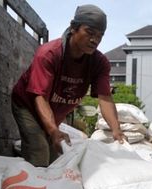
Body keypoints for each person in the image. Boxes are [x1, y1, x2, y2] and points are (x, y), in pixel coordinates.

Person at [11, 4, 124, 167]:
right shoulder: (49, 54)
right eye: (90, 33)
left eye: (100, 36)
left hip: (52, 112)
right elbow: (40, 96)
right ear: (73, 28)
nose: (95, 40)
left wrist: (116, 130)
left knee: (54, 163)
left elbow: (105, 97)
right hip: (28, 105)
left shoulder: (99, 63)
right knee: (39, 153)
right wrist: (53, 131)